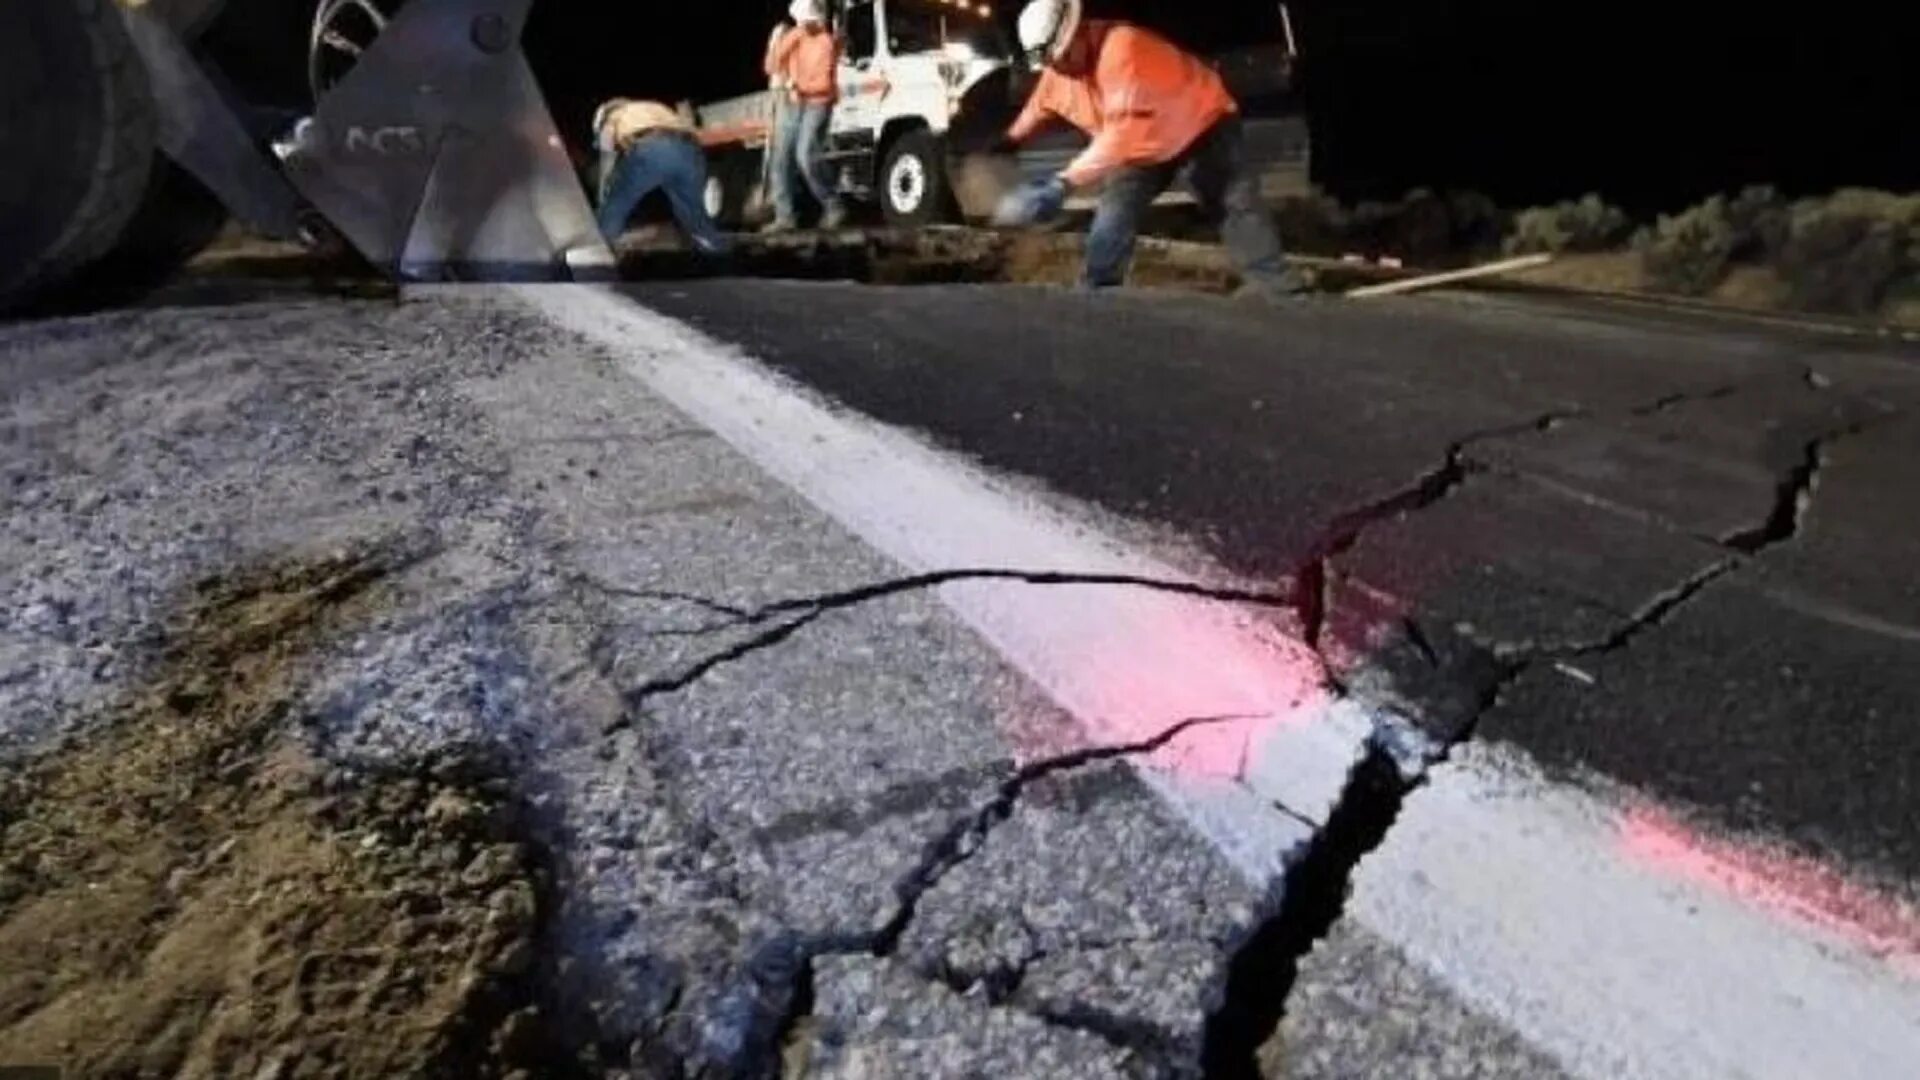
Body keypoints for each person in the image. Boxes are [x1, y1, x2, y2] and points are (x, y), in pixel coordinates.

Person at [994, 0, 1304, 295]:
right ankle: (1098, 290)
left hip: (1201, 124)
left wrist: (1062, 183)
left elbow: (1122, 134)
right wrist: (1011, 139)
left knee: (1233, 202)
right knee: (1115, 207)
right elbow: (1041, 105)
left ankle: (1277, 288)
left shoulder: (1123, 48)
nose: (1057, 68)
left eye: (1059, 57)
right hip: (1141, 143)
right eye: (1050, 62)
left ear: (1078, 33)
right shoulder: (1060, 69)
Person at [762, 0, 887, 232]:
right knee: (780, 160)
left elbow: (821, 83)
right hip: (792, 102)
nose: (804, 25)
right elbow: (771, 66)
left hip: (816, 103)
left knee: (805, 155)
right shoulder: (793, 35)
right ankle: (785, 217)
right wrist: (782, 45)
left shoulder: (825, 42)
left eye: (808, 21)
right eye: (801, 21)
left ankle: (833, 206)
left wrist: (796, 85)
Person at [592, 98, 731, 256]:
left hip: (653, 149)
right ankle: (717, 251)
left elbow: (607, 163)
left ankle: (598, 249)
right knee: (692, 211)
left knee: (616, 204)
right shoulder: (655, 107)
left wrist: (604, 196)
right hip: (691, 151)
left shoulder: (613, 117)